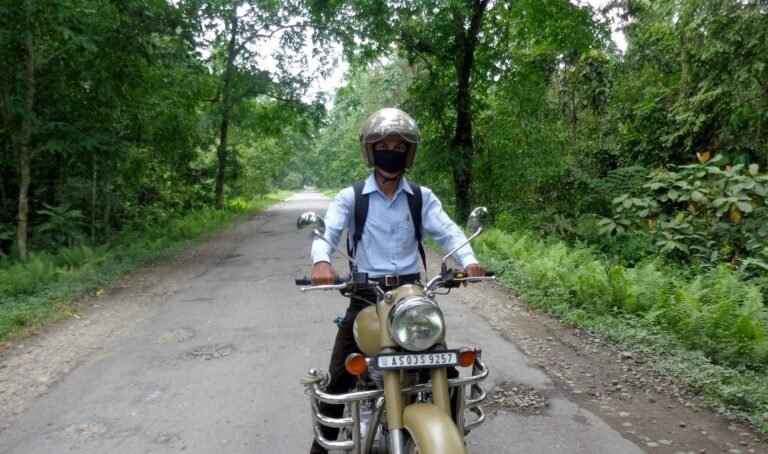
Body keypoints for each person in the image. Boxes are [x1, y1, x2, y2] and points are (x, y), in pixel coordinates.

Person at [308, 107, 485, 454]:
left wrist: (470, 260)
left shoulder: (421, 197)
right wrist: (321, 261)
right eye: (385, 145)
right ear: (372, 151)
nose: (392, 151)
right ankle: (321, 444)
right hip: (365, 295)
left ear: (409, 153)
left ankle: (447, 431)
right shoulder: (351, 197)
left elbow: (448, 231)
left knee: (446, 367)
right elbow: (326, 234)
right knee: (339, 374)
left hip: (413, 295)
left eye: (400, 147)